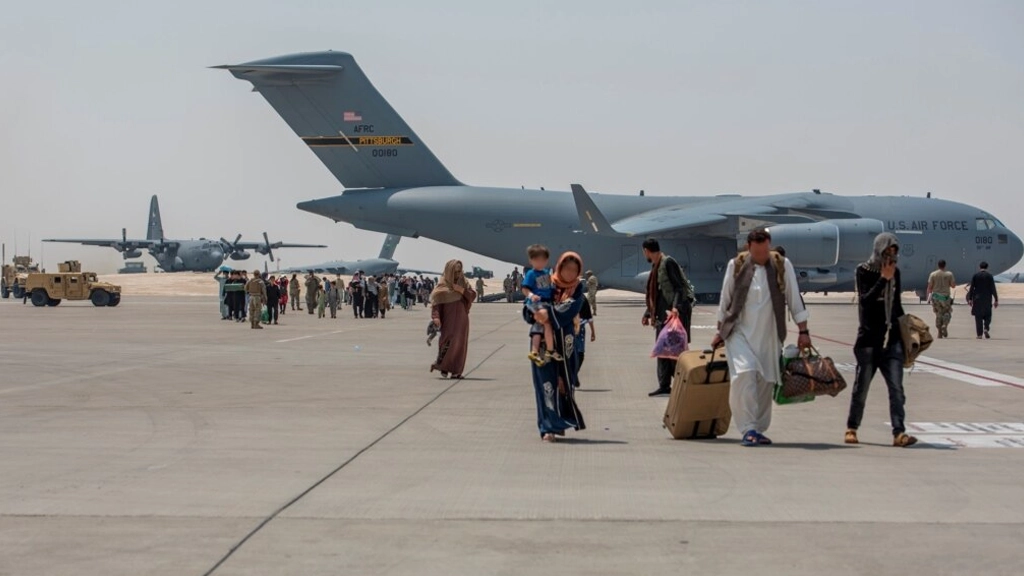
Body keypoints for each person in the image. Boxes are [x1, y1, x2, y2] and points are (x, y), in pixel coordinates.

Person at [712, 229, 810, 447]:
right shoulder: (735, 265)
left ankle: (758, 428)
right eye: (757, 253)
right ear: (749, 248)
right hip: (739, 333)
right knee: (744, 375)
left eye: (765, 251)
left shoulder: (782, 265)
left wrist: (803, 331)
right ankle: (748, 428)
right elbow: (725, 300)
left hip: (769, 335)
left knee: (766, 381)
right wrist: (719, 331)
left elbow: (794, 299)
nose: (762, 256)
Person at [845, 233, 917, 447]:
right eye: (887, 251)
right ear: (879, 250)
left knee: (897, 389)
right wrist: (883, 279)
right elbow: (865, 302)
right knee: (861, 388)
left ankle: (899, 433)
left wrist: (908, 331)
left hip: (892, 341)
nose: (891, 256)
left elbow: (896, 305)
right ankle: (851, 428)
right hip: (869, 341)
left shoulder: (896, 273)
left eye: (894, 252)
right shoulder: (863, 271)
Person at [527, 252, 587, 442]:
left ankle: (559, 422)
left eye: (574, 270)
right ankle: (548, 428)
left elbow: (570, 308)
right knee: (545, 386)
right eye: (566, 269)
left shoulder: (577, 289)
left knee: (563, 384)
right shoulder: (545, 283)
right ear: (559, 267)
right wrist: (536, 312)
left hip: (565, 346)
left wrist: (547, 313)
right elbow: (530, 303)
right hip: (543, 346)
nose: (570, 273)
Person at [641, 238, 695, 397]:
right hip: (662, 315)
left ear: (646, 251)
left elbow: (679, 288)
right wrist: (647, 313)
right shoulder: (656, 266)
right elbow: (657, 293)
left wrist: (675, 307)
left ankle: (683, 383)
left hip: (674, 314)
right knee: (662, 350)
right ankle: (664, 385)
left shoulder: (668, 263)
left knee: (675, 351)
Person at [429, 260, 477, 378]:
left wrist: (462, 290)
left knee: (460, 344)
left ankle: (456, 371)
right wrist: (436, 317)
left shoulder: (463, 283)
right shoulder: (442, 285)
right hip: (448, 319)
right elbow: (436, 304)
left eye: (459, 271)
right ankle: (443, 367)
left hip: (462, 319)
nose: (458, 274)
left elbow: (472, 295)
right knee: (447, 342)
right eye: (455, 272)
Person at [522, 244, 560, 366]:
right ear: (531, 260)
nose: (540, 262)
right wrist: (531, 296)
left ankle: (534, 352)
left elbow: (549, 289)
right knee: (547, 323)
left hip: (546, 302)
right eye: (537, 260)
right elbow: (524, 289)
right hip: (536, 303)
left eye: (543, 260)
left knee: (539, 326)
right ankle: (550, 350)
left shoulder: (547, 273)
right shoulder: (531, 274)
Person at [967, 261, 999, 340]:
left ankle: (979, 335)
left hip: (977, 299)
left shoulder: (975, 276)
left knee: (978, 317)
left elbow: (972, 288)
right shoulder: (989, 276)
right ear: (987, 267)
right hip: (987, 299)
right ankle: (986, 328)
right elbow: (993, 288)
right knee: (988, 315)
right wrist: (996, 299)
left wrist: (970, 299)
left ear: (979, 267)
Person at [927, 260, 956, 338]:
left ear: (938, 265)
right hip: (945, 297)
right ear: (945, 265)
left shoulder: (933, 274)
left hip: (936, 297)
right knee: (947, 312)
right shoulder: (949, 274)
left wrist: (929, 297)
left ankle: (939, 332)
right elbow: (953, 285)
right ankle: (945, 325)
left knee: (938, 314)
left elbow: (930, 287)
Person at [573, 297, 597, 388]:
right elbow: (589, 317)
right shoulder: (568, 297)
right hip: (570, 327)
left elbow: (589, 316)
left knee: (579, 354)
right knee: (575, 353)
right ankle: (572, 374)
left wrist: (593, 332)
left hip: (578, 328)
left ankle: (574, 373)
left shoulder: (582, 299)